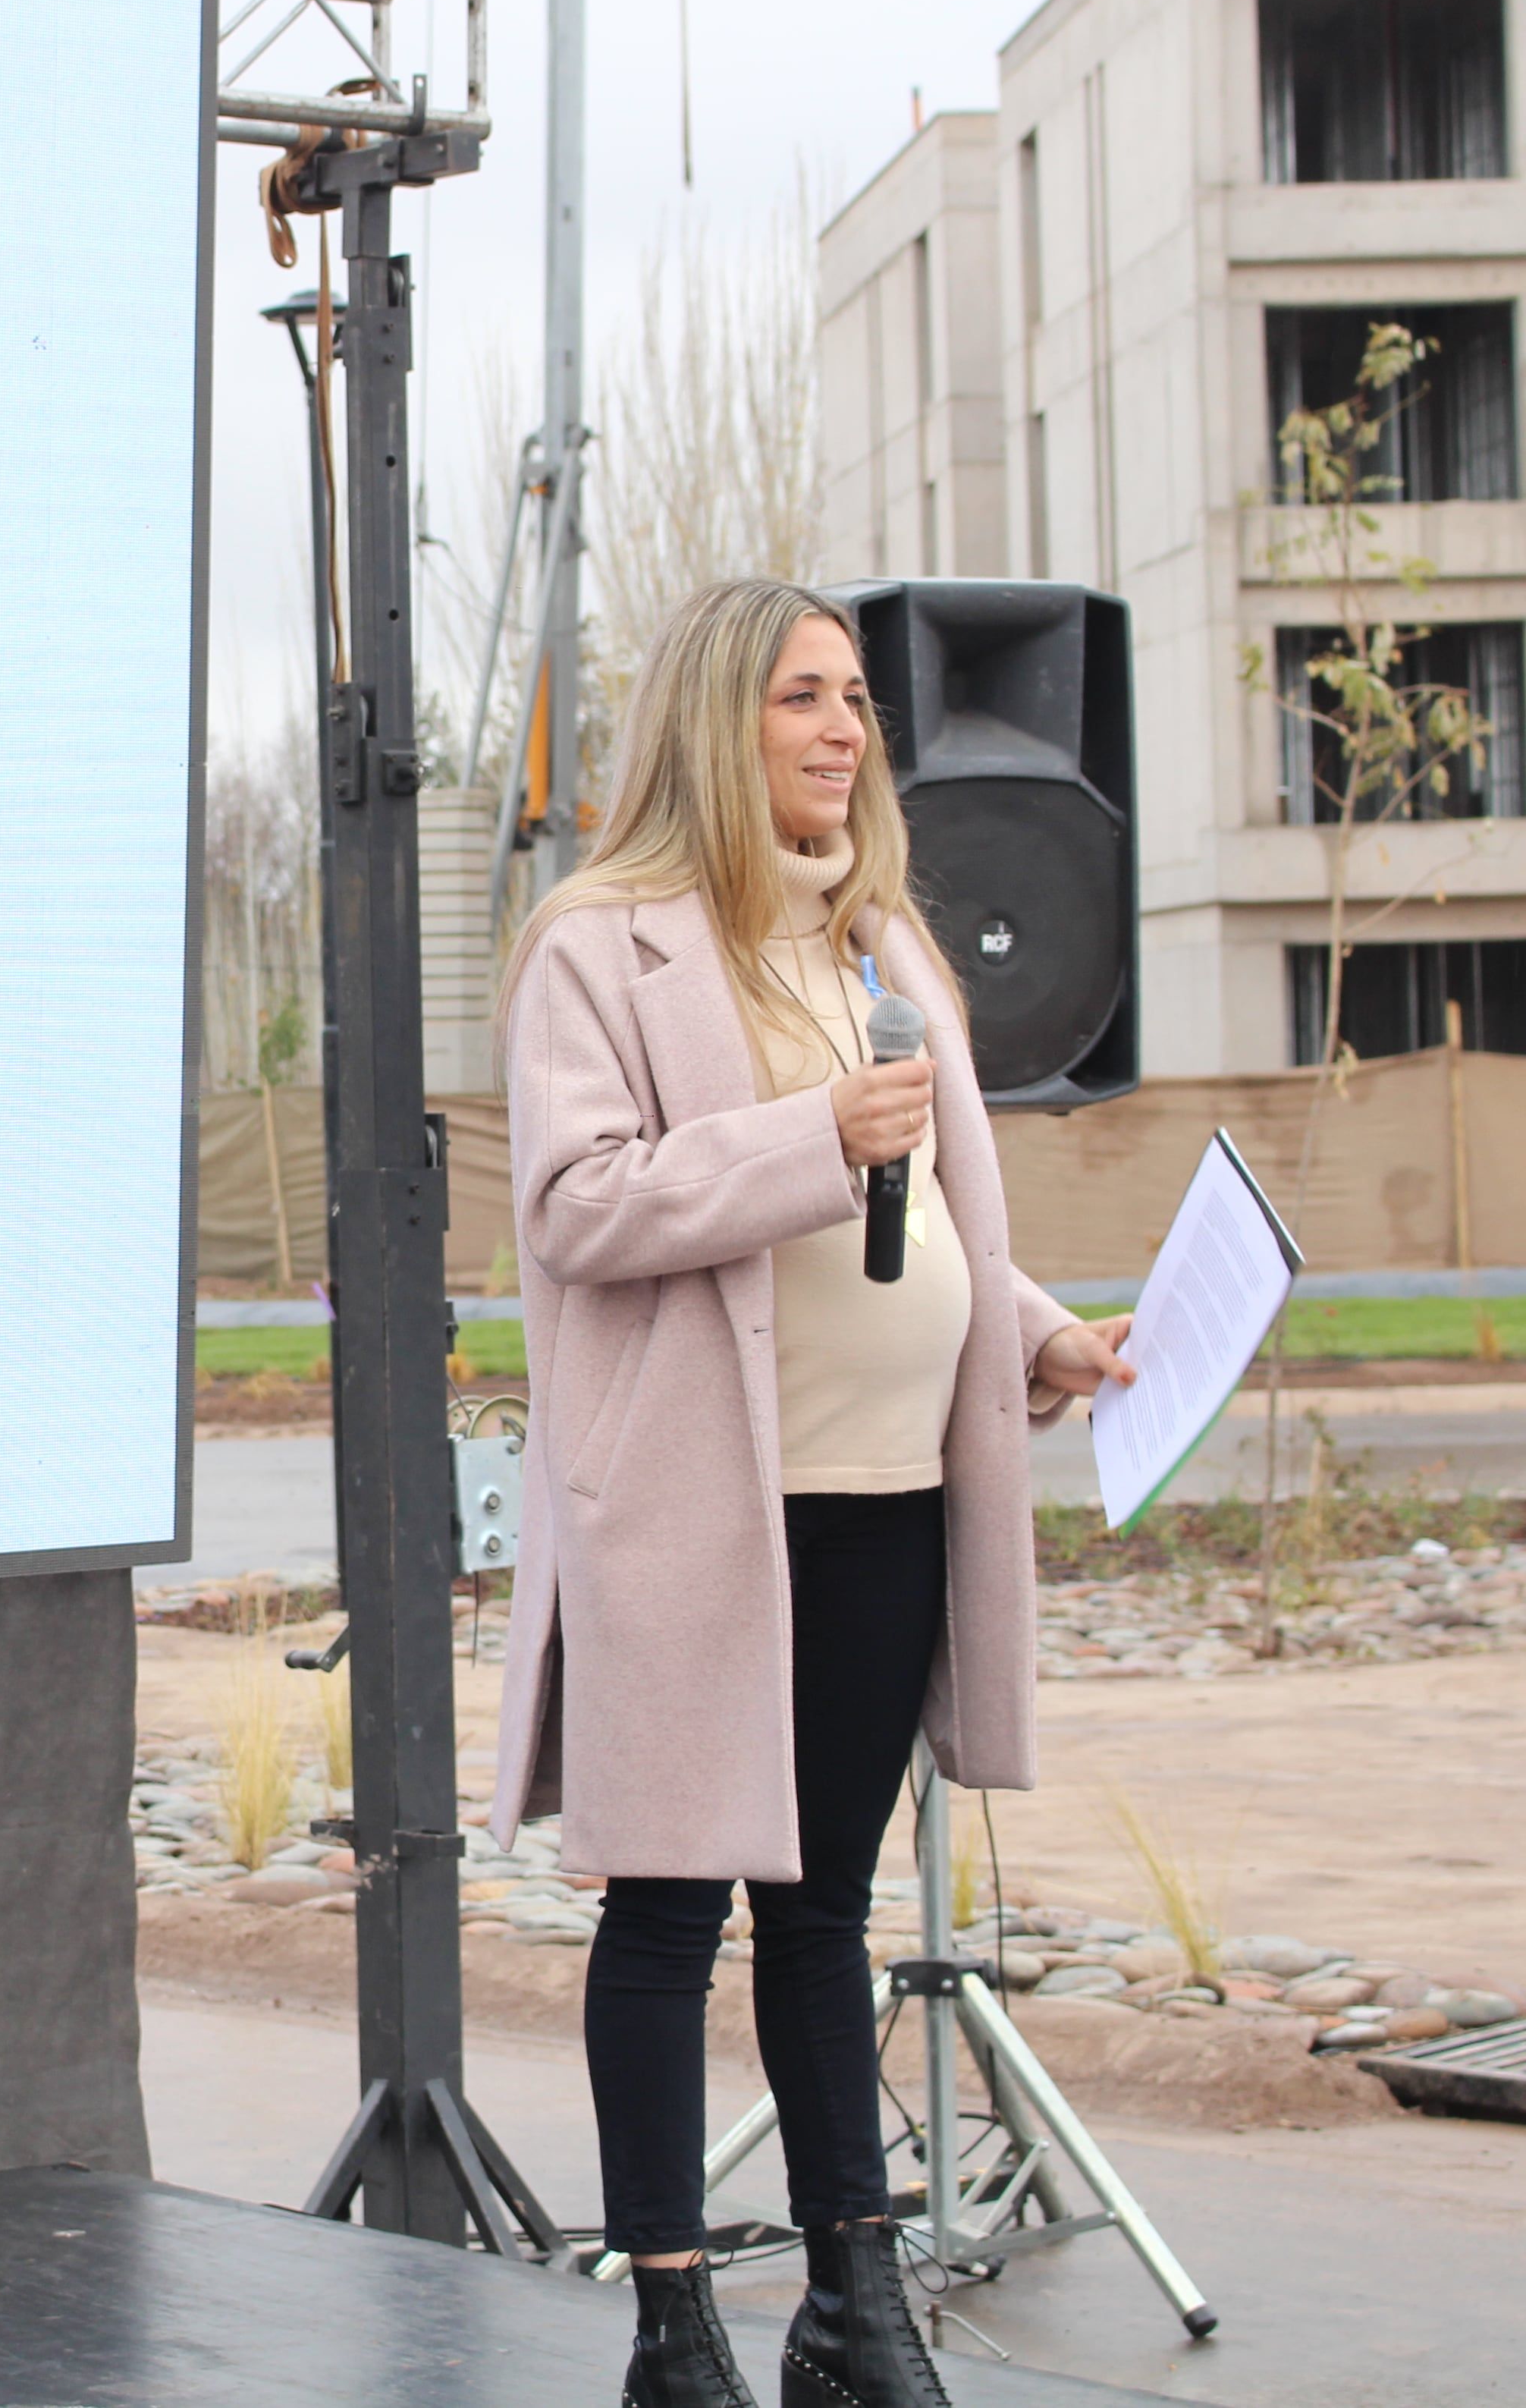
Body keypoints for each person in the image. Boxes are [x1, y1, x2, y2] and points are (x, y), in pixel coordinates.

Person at [486, 578, 1135, 2408]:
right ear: (718, 720)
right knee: (671, 1903)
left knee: (827, 1908)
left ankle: (854, 2305)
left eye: (855, 695)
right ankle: (674, 2324)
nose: (845, 726)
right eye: (802, 695)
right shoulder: (597, 944)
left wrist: (1032, 1335)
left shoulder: (885, 949)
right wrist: (802, 1138)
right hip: (703, 1501)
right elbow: (576, 1207)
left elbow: (915, 1227)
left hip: (886, 1494)